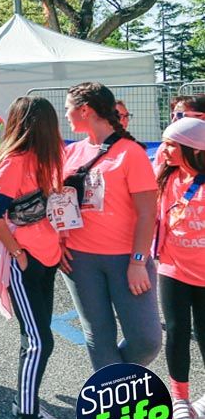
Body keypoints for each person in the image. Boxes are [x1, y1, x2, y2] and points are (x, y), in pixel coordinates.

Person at [0, 97, 68, 419]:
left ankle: (27, 403)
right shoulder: (15, 161)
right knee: (37, 342)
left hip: (46, 257)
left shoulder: (48, 158)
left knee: (39, 339)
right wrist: (17, 251)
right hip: (25, 262)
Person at [61, 82, 161, 371]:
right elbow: (60, 204)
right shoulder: (72, 152)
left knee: (146, 341)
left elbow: (147, 213)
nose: (66, 115)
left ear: (85, 110)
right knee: (99, 337)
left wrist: (138, 262)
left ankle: (114, 381)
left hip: (126, 260)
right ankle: (112, 392)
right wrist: (58, 241)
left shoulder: (130, 153)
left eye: (68, 108)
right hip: (79, 260)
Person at [152, 117, 205, 419]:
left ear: (194, 149)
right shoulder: (165, 175)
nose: (164, 149)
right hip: (172, 268)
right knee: (176, 331)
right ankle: (180, 399)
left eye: (171, 144)